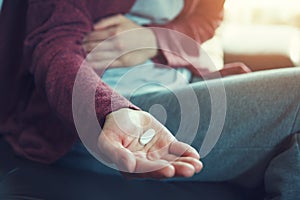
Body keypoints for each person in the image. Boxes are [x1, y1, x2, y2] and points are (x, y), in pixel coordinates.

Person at [0, 0, 299, 199]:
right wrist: (108, 108)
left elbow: (207, 19)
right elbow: (52, 46)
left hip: (186, 84)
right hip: (89, 112)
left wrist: (154, 40)